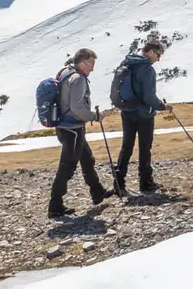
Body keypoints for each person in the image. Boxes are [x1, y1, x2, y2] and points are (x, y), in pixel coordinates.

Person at [49, 48, 113, 218]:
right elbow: (77, 107)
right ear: (82, 63)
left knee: (87, 159)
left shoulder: (66, 73)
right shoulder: (78, 79)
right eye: (91, 63)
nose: (93, 68)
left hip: (66, 127)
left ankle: (97, 191)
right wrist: (94, 116)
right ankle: (55, 206)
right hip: (73, 129)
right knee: (67, 167)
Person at [113, 40, 172, 195]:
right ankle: (145, 182)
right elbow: (148, 96)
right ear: (151, 52)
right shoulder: (147, 69)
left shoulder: (127, 62)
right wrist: (162, 106)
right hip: (144, 114)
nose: (158, 59)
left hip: (127, 111)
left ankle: (119, 183)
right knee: (145, 148)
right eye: (158, 55)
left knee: (126, 147)